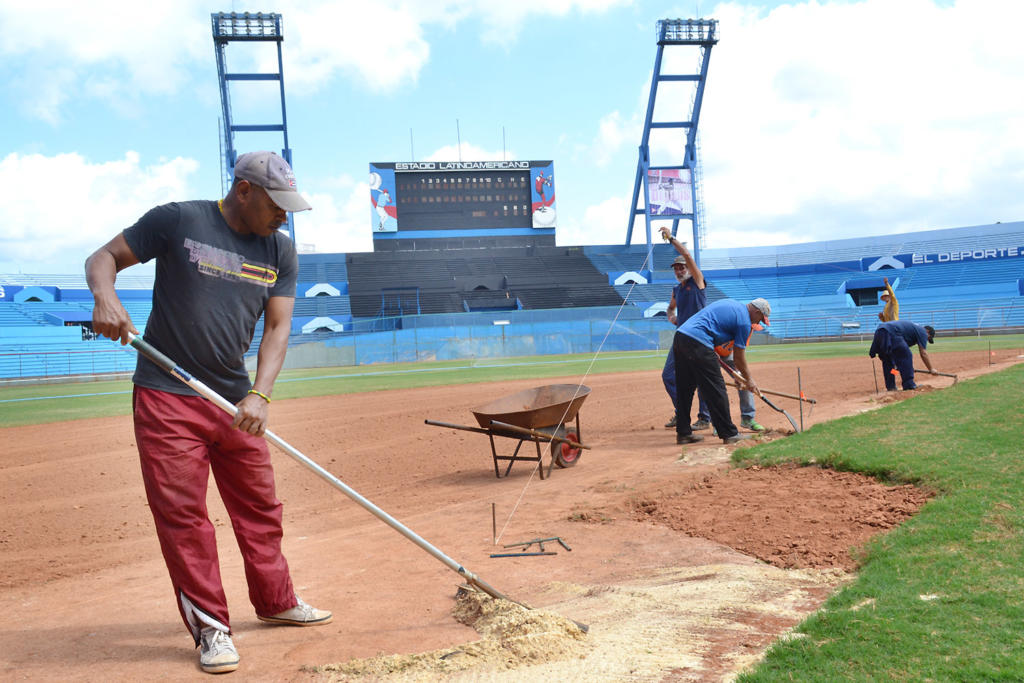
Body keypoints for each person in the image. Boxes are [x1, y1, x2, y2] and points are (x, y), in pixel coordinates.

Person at [85, 151, 330, 675]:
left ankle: (276, 601)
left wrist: (260, 394)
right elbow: (102, 258)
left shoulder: (280, 250)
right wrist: (106, 298)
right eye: (276, 205)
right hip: (167, 395)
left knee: (260, 505)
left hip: (234, 398)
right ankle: (212, 628)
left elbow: (278, 328)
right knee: (184, 517)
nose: (284, 216)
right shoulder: (177, 220)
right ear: (244, 191)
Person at [673, 297, 771, 445]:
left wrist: (738, 376)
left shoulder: (732, 303)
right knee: (716, 389)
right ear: (756, 311)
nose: (757, 323)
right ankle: (729, 433)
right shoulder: (745, 321)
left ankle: (683, 433)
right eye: (760, 319)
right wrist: (749, 380)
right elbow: (738, 357)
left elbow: (712, 323)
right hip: (699, 341)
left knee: (685, 389)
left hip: (681, 337)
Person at [658, 226, 710, 431]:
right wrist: (672, 317)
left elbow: (687, 254)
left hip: (699, 339)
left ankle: (704, 418)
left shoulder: (698, 282)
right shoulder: (676, 290)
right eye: (676, 268)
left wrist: (670, 238)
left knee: (701, 378)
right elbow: (670, 308)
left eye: (682, 267)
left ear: (688, 268)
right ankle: (681, 412)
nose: (679, 270)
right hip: (681, 339)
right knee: (668, 376)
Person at [868, 319, 936, 391]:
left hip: (880, 331)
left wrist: (904, 368)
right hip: (892, 332)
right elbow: (923, 353)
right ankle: (909, 385)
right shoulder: (922, 331)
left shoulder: (912, 330)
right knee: (907, 356)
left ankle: (891, 387)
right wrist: (931, 369)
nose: (926, 340)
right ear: (927, 332)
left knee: (889, 361)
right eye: (928, 338)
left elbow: (898, 355)